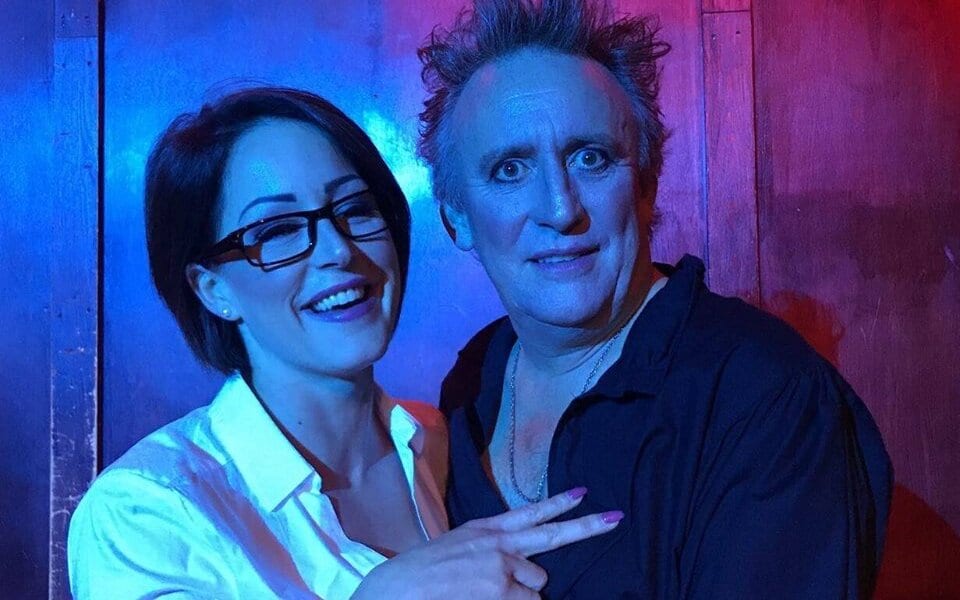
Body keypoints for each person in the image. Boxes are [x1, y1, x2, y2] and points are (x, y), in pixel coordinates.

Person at [67, 86, 623, 600]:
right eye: (277, 230)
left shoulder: (438, 443)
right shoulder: (150, 508)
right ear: (213, 288)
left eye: (355, 209)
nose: (337, 251)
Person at [417, 0, 893, 597]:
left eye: (590, 159)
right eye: (510, 170)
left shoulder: (763, 393)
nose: (560, 209)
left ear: (645, 187)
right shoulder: (472, 380)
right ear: (457, 218)